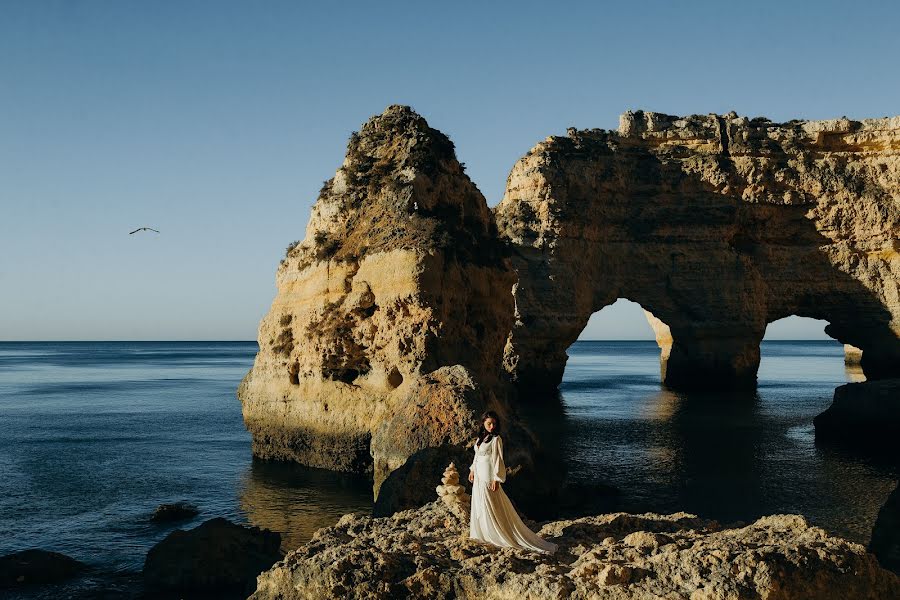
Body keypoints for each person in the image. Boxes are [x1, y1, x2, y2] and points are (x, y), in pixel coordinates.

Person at [467, 411, 557, 553]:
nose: (491, 426)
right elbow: (477, 456)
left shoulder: (496, 439)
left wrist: (497, 478)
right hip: (478, 473)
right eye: (489, 423)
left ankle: (495, 533)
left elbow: (498, 460)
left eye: (494, 424)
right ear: (483, 423)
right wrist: (472, 470)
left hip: (488, 474)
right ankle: (482, 533)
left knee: (489, 501)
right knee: (479, 502)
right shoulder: (481, 438)